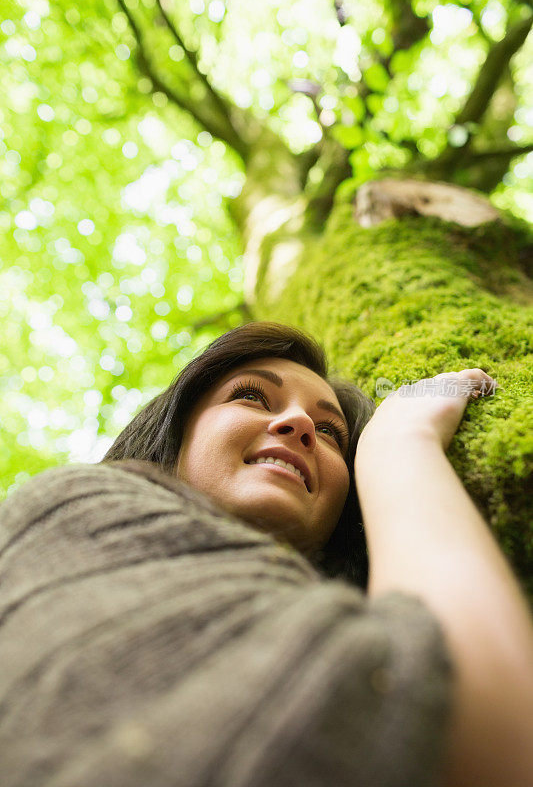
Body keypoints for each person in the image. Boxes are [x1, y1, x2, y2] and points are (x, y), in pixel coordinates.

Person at [1, 321, 532, 787]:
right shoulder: (71, 508)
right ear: (173, 434)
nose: (300, 425)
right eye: (252, 396)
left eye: (330, 432)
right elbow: (480, 732)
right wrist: (400, 442)